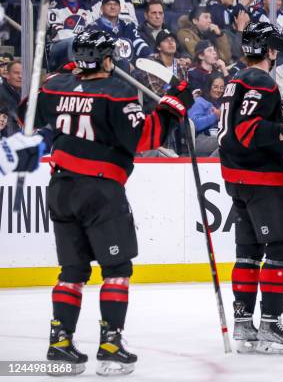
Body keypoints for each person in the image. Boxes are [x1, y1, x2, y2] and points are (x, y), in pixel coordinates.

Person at [25, 30, 191, 375]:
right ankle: (111, 345)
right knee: (116, 270)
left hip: (60, 188)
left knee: (72, 271)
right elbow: (144, 138)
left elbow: (29, 111)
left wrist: (64, 77)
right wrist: (174, 104)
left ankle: (60, 343)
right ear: (104, 59)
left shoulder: (56, 84)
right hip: (100, 190)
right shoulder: (118, 91)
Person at [218, 22, 283, 355]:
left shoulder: (237, 79)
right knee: (279, 248)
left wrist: (282, 114)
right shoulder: (261, 81)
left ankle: (244, 324)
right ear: (271, 50)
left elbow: (241, 123)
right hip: (262, 179)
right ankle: (270, 324)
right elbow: (249, 132)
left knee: (248, 251)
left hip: (238, 178)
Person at [85, 0, 152, 64]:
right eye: (108, 4)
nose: (112, 7)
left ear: (120, 9)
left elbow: (138, 42)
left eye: (116, 4)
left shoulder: (128, 25)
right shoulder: (94, 27)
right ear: (102, 8)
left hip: (131, 70)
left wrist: (149, 55)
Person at [47, 0, 93, 70]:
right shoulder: (54, 6)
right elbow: (56, 31)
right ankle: (76, 74)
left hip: (81, 46)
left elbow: (90, 29)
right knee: (73, 42)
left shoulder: (85, 8)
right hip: (58, 46)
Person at [189, 73, 224, 156]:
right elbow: (194, 124)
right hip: (198, 140)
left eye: (222, 87)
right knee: (225, 141)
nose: (219, 90)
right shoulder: (199, 101)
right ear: (208, 87)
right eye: (215, 87)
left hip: (214, 137)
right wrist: (216, 116)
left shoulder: (219, 103)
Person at [0, 61, 21, 135]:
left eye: (22, 73)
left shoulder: (27, 91)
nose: (20, 76)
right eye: (16, 73)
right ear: (7, 75)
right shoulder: (1, 93)